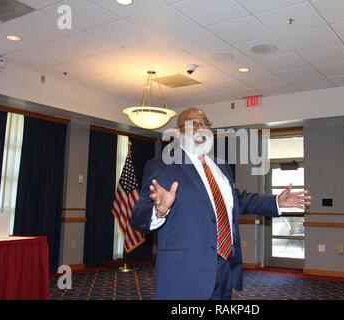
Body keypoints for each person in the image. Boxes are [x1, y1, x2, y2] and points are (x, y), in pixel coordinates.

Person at [131, 107, 312, 300]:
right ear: (178, 133)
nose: (201, 128)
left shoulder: (221, 166)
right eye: (193, 124)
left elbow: (237, 200)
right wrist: (159, 211)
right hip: (185, 273)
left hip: (224, 268)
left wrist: (276, 201)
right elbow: (138, 216)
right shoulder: (161, 166)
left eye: (206, 123)